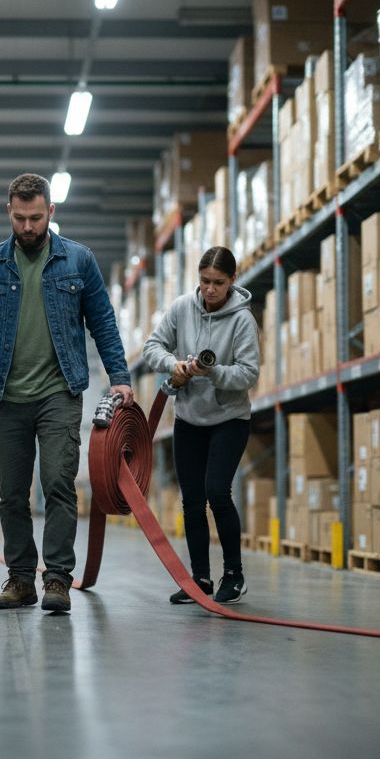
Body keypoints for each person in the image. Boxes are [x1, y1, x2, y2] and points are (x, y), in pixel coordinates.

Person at [0, 173, 134, 613]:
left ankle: (56, 579)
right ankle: (20, 579)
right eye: (20, 218)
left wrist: (120, 375)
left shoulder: (79, 261)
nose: (28, 227)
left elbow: (103, 322)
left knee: (57, 484)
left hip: (60, 391)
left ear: (51, 212)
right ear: (8, 213)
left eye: (36, 218)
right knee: (12, 492)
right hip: (7, 395)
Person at [142, 246, 260, 605]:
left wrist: (213, 372)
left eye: (219, 283)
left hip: (229, 420)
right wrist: (173, 364)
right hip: (189, 418)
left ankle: (234, 574)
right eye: (205, 281)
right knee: (191, 500)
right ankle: (200, 579)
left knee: (217, 492)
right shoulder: (181, 308)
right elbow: (152, 347)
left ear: (232, 281)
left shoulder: (242, 320)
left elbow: (249, 373)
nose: (210, 289)